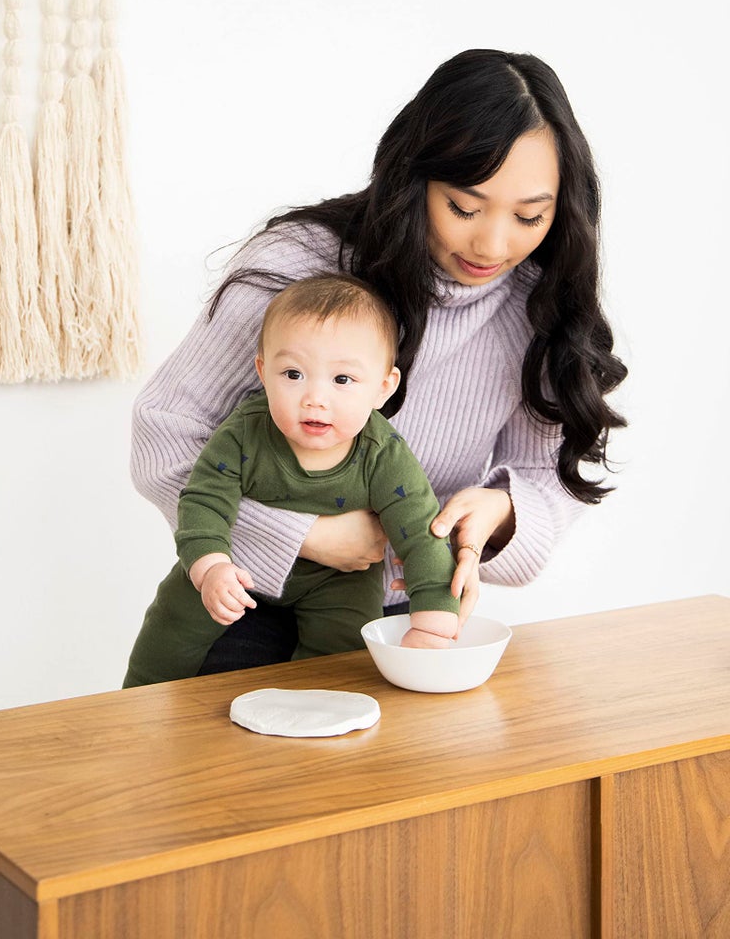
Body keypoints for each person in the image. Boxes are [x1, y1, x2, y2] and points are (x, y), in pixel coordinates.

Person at [129, 48, 627, 676]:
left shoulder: (538, 305)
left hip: (405, 626)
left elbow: (545, 478)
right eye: (465, 209)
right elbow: (165, 436)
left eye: (530, 216)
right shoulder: (301, 265)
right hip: (244, 600)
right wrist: (303, 536)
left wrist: (500, 514)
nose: (493, 244)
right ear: (414, 178)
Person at [123, 274, 461, 687]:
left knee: (344, 653)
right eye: (293, 374)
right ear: (263, 372)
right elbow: (203, 501)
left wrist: (432, 623)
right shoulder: (245, 432)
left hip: (339, 580)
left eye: (342, 380)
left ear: (382, 388)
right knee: (174, 619)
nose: (314, 398)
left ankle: (318, 714)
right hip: (240, 563)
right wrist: (211, 567)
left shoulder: (383, 454)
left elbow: (422, 534)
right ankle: (138, 703)